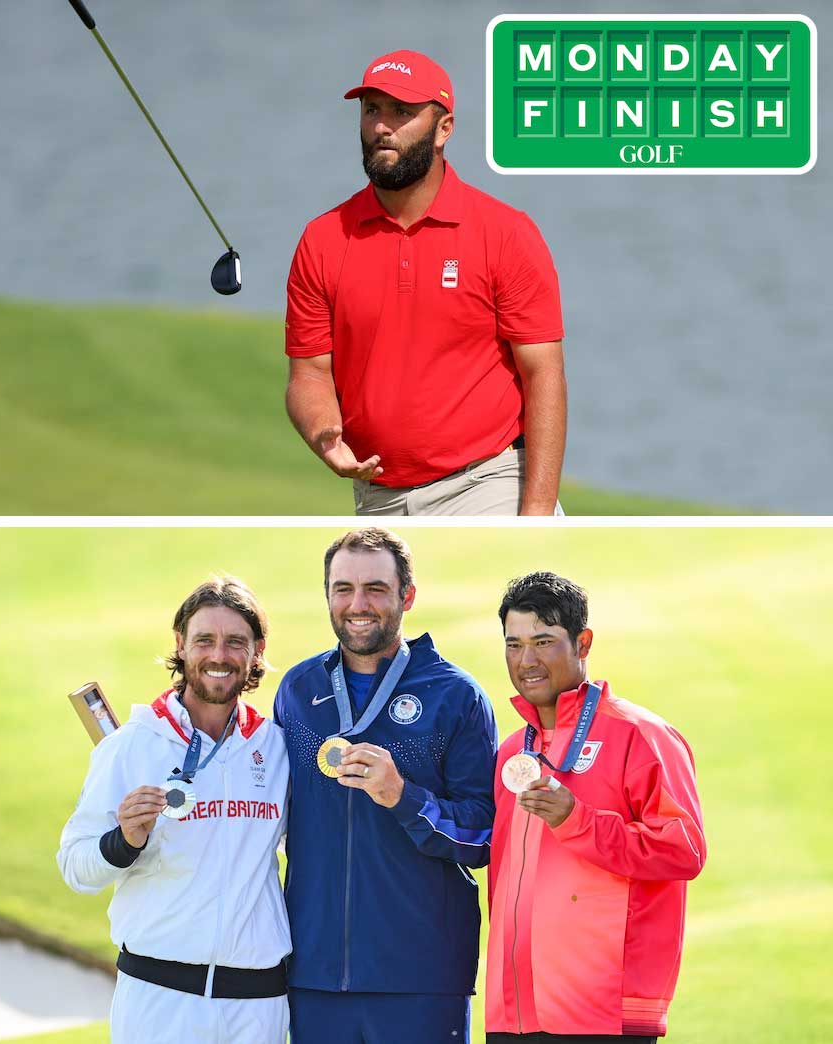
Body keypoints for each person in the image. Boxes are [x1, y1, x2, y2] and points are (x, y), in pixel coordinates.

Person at [285, 50, 566, 516]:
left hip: (488, 481)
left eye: (402, 112)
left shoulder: (505, 233)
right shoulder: (323, 239)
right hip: (379, 494)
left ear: (443, 129)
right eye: (371, 110)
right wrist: (323, 433)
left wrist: (536, 513)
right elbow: (309, 375)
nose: (382, 126)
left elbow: (544, 375)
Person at [271, 527, 497, 1041]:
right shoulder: (299, 690)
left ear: (407, 596)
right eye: (343, 589)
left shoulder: (454, 696)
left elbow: (483, 834)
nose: (358, 605)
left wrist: (403, 797)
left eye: (375, 588)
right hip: (313, 973)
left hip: (421, 977)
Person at [58, 577, 291, 1043]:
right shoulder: (131, 746)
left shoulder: (276, 747)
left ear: (257, 652)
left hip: (257, 1003)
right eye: (204, 640)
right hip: (160, 998)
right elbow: (75, 868)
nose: (219, 655)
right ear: (181, 645)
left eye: (235, 642)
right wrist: (124, 841)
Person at [487, 573, 705, 1043]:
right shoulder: (512, 752)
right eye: (514, 645)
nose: (526, 661)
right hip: (515, 1011)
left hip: (604, 1013)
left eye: (543, 642)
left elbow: (684, 851)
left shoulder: (642, 735)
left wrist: (577, 820)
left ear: (582, 643)